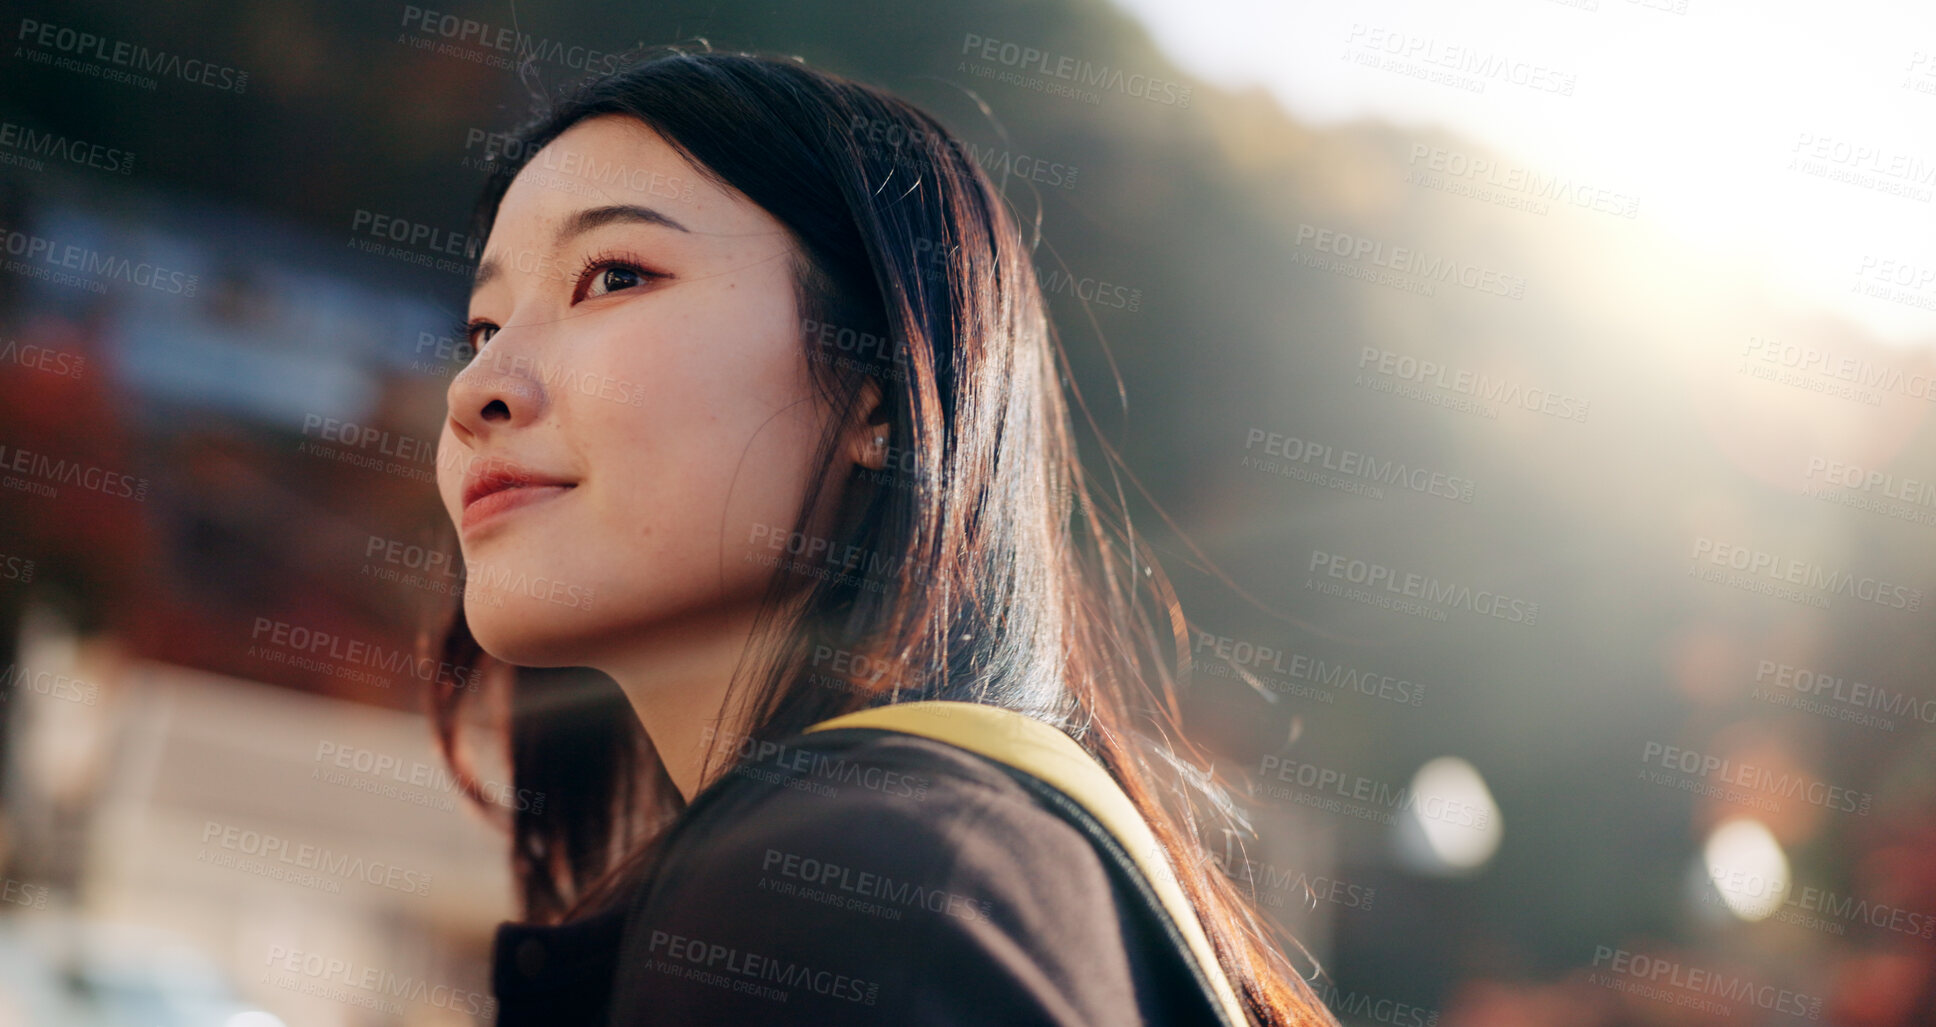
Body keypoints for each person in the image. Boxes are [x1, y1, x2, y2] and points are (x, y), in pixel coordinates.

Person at [425, 46, 1338, 1026]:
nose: (476, 389)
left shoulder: (843, 889)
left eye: (613, 276)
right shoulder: (963, 861)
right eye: (482, 329)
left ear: (884, 399)